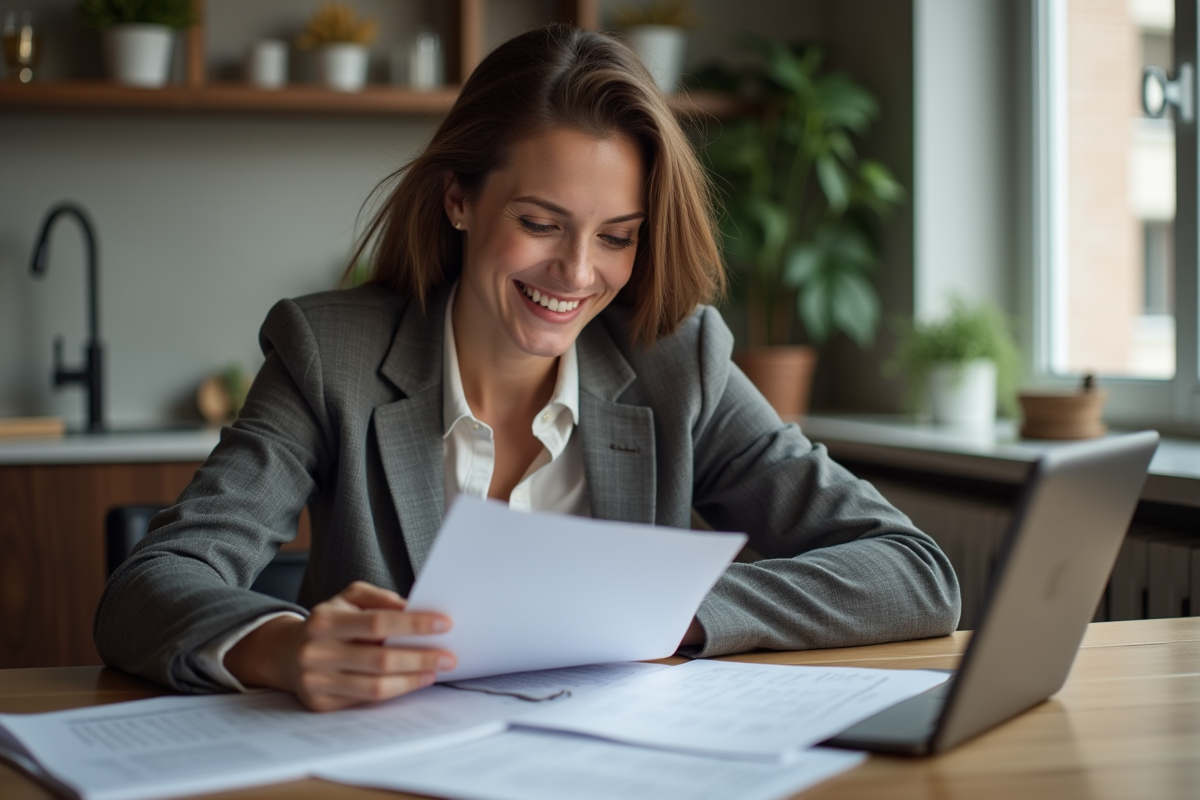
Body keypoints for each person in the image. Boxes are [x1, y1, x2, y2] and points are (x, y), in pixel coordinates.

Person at [95, 24, 960, 712]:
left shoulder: (675, 361)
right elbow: (151, 586)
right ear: (460, 199)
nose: (579, 274)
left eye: (617, 236)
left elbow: (912, 572)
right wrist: (282, 648)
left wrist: (675, 615)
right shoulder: (331, 357)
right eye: (542, 223)